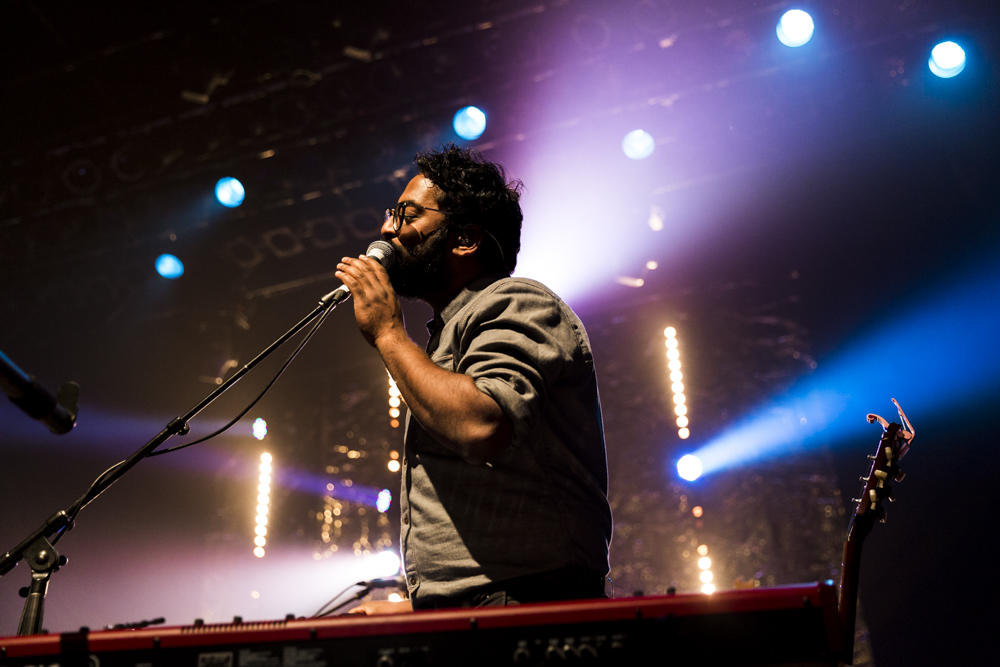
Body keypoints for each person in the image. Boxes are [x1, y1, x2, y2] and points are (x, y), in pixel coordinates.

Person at [335, 145, 612, 613]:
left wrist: (386, 331)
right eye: (390, 214)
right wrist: (419, 606)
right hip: (478, 603)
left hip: (524, 599)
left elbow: (481, 425)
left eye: (406, 214)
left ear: (464, 238)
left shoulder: (518, 301)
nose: (387, 229)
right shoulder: (448, 333)